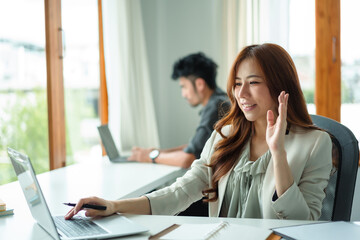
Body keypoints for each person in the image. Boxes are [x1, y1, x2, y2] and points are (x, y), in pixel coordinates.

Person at [65, 43, 332, 221]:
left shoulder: (315, 144)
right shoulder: (225, 135)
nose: (241, 94)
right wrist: (115, 205)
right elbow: (181, 192)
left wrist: (278, 153)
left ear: (280, 86)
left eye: (253, 83)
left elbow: (303, 225)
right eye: (238, 83)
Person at [128, 52, 230, 169]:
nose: (183, 94)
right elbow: (195, 147)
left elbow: (188, 159)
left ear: (200, 84)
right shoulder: (222, 100)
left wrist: (149, 157)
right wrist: (159, 152)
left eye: (184, 87)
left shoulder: (216, 107)